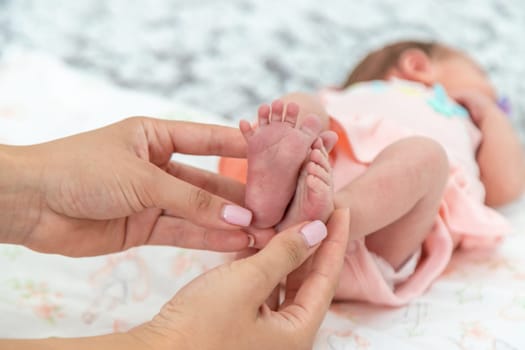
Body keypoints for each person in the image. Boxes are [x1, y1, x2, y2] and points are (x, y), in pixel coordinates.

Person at [0, 116, 351, 349]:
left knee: (311, 116)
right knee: (401, 157)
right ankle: (289, 210)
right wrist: (170, 342)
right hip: (340, 243)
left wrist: (31, 195)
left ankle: (274, 205)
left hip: (328, 173)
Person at [220, 40, 525, 306]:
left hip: (378, 239)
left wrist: (491, 114)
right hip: (313, 175)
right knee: (305, 106)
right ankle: (280, 192)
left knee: (425, 155)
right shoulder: (340, 97)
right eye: (484, 79)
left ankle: (329, 215)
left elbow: (507, 184)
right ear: (417, 65)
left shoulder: (469, 123)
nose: (496, 96)